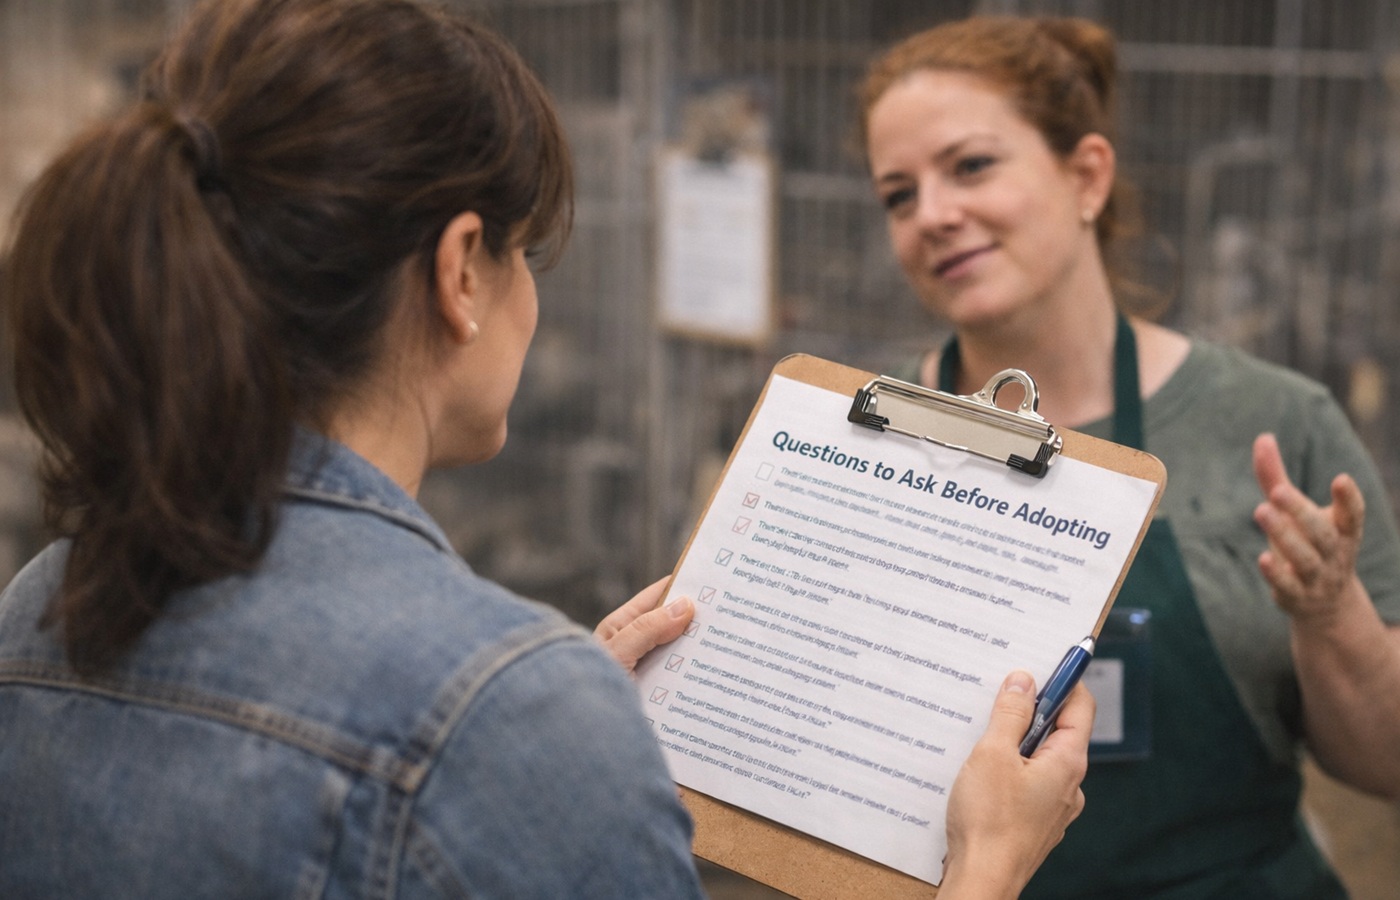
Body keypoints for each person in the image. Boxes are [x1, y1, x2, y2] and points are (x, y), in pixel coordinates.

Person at [0, 0, 1091, 896]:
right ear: (461, 269)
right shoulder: (501, 707)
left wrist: (555, 729)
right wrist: (986, 865)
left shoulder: (42, 601)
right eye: (528, 253)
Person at [858, 14, 1400, 899]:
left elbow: (1386, 765)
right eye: (898, 194)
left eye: (971, 166)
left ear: (1087, 176)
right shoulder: (866, 439)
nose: (934, 215)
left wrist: (1331, 614)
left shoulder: (1269, 423)